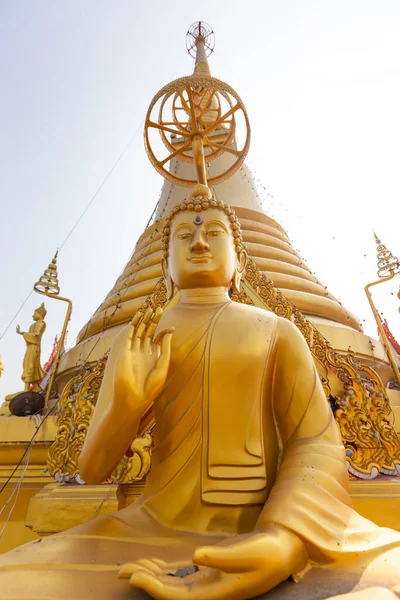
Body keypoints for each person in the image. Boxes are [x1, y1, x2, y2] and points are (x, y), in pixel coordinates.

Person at [1, 196, 400, 600]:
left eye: (213, 233)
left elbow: (314, 442)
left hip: (265, 526)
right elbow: (92, 470)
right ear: (164, 266)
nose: (198, 243)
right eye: (184, 235)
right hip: (148, 530)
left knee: (385, 585)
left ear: (240, 263)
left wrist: (284, 539)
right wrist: (128, 404)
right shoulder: (139, 339)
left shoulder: (277, 331)